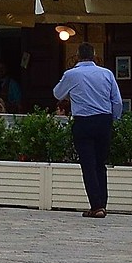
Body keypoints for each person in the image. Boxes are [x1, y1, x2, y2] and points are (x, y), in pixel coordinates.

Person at [53, 41, 123, 218]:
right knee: (100, 163)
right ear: (94, 56)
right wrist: (112, 119)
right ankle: (102, 203)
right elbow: (117, 101)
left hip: (83, 121)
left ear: (77, 56)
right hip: (104, 120)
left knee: (88, 165)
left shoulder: (71, 74)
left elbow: (57, 93)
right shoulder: (106, 73)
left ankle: (96, 205)